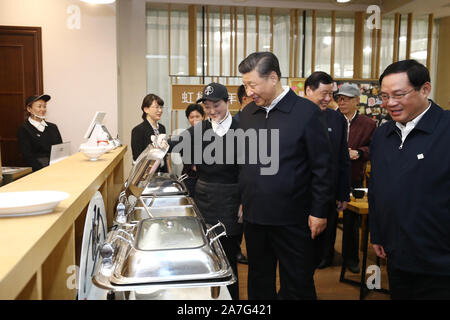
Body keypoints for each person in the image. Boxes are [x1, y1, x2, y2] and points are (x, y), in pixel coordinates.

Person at [238, 52, 333, 299]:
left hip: (294, 218)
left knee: (297, 281)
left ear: (273, 78)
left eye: (252, 85)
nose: (248, 92)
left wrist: (319, 211)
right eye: (246, 85)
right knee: (259, 279)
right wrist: (242, 199)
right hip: (255, 215)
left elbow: (323, 167)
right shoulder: (248, 114)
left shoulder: (306, 112)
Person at [369, 59, 450, 299]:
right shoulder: (383, 134)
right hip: (397, 255)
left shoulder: (445, 129)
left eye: (399, 94)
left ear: (425, 89)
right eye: (384, 96)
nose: (390, 103)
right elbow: (376, 188)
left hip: (440, 260)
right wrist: (378, 233)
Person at [166, 83, 242, 300]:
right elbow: (177, 143)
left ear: (227, 102)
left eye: (216, 105)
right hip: (204, 197)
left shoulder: (241, 128)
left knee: (227, 257)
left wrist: (244, 201)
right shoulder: (200, 130)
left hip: (230, 198)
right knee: (207, 254)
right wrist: (161, 142)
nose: (211, 110)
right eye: (207, 106)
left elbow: (248, 170)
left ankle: (231, 299)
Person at [304, 72, 351, 269]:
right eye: (323, 93)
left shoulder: (336, 119)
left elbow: (343, 159)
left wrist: (343, 193)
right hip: (300, 193)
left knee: (324, 238)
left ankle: (323, 259)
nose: (327, 99)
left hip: (328, 192)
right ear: (308, 90)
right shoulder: (294, 117)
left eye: (330, 94)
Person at [336, 83, 377, 274]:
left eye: (346, 99)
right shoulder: (329, 119)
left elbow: (374, 149)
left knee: (352, 223)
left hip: (354, 177)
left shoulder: (369, 124)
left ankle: (351, 259)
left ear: (356, 101)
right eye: (339, 98)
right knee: (326, 219)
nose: (341, 102)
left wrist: (359, 153)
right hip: (330, 179)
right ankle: (324, 255)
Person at [17, 94, 63, 172]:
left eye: (44, 106)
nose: (43, 109)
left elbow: (60, 150)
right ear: (29, 109)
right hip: (37, 170)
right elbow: (28, 156)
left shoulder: (53, 127)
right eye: (39, 106)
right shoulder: (24, 129)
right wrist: (43, 171)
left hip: (55, 168)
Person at [131, 94, 167, 170]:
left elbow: (165, 155)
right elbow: (137, 158)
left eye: (161, 107)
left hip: (162, 172)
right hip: (147, 174)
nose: (160, 110)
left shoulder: (162, 128)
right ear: (146, 109)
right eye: (156, 107)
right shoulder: (138, 130)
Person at [181, 103, 205, 197]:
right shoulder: (185, 136)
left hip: (206, 180)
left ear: (203, 117)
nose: (195, 120)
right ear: (188, 119)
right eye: (191, 117)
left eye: (197, 116)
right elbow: (188, 162)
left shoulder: (210, 134)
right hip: (191, 179)